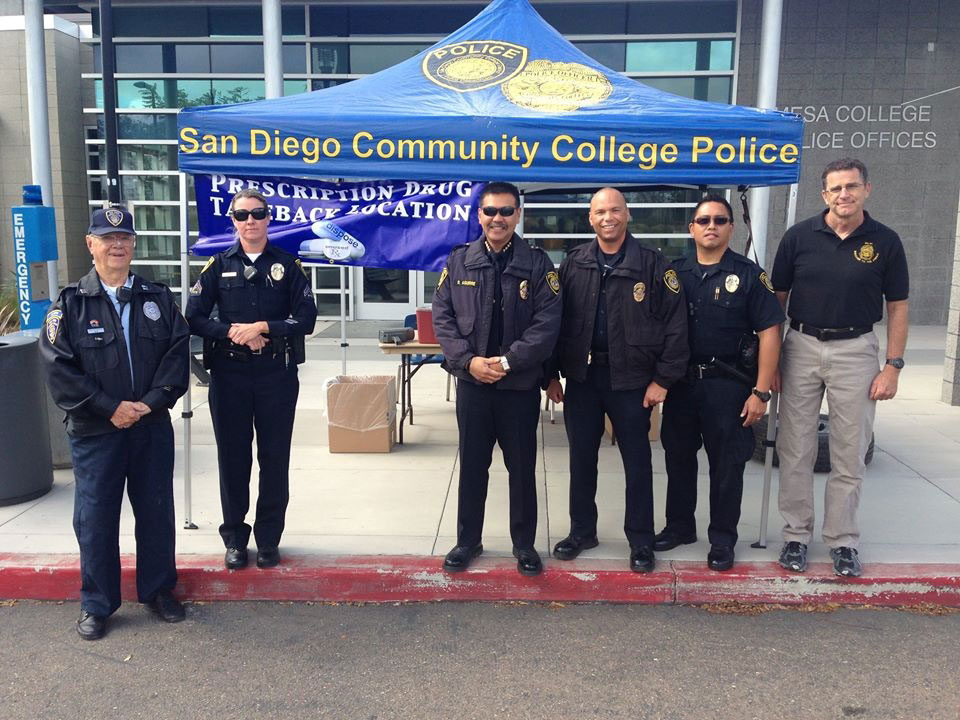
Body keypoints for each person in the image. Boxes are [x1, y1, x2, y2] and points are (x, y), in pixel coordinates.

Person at [39, 206, 190, 640]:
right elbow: (59, 370)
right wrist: (111, 407)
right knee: (96, 519)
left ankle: (160, 591)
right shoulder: (68, 304)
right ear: (91, 245)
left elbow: (177, 356)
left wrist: (149, 403)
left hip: (149, 426)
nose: (117, 244)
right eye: (107, 238)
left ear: (134, 245)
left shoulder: (158, 298)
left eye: (124, 238)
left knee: (156, 512)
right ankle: (97, 604)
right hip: (96, 432)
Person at [772, 158, 909, 577]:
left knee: (850, 451)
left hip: (857, 349)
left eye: (851, 186)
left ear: (868, 189)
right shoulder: (798, 237)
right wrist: (772, 361)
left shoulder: (885, 241)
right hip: (802, 345)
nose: (843, 194)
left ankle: (843, 541)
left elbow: (898, 307)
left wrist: (893, 367)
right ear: (824, 195)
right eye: (835, 188)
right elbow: (776, 300)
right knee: (795, 448)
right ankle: (795, 535)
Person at [546, 187, 688, 572]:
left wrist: (664, 380)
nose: (607, 217)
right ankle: (581, 532)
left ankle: (641, 540)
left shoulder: (654, 264)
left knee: (638, 462)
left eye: (615, 210)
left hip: (633, 381)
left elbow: (676, 327)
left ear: (627, 216)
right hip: (582, 378)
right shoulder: (573, 264)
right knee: (581, 460)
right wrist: (550, 376)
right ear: (589, 219)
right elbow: (554, 323)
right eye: (599, 212)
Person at [432, 181, 562, 576]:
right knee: (472, 466)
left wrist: (506, 363)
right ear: (479, 216)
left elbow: (547, 325)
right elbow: (443, 317)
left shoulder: (539, 264)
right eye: (490, 211)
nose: (498, 219)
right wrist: (468, 362)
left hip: (518, 387)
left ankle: (524, 544)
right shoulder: (459, 261)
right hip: (473, 386)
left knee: (522, 470)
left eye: (506, 211)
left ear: (518, 215)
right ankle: (467, 541)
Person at [186, 189, 317, 570]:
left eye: (257, 214)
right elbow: (193, 317)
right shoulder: (217, 265)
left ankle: (269, 539)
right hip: (230, 376)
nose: (250, 221)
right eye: (242, 215)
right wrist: (232, 332)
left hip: (275, 374)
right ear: (233, 220)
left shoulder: (288, 265)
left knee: (274, 458)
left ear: (268, 218)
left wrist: (265, 327)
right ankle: (235, 540)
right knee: (233, 459)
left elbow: (305, 319)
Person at [656, 195, 784, 571]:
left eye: (720, 220)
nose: (711, 226)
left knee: (727, 466)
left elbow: (770, 332)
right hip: (681, 384)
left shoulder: (748, 275)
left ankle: (722, 539)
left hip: (728, 386)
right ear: (691, 228)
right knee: (678, 460)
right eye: (703, 220)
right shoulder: (674, 274)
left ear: (732, 227)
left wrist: (761, 391)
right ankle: (679, 527)